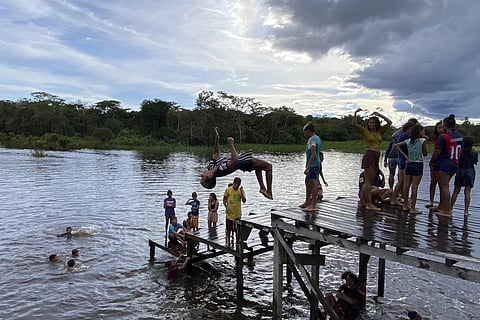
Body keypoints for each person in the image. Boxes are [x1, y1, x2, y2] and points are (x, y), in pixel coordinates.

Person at [200, 127, 273, 200]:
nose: (201, 174)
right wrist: (231, 144)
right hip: (245, 162)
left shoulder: (210, 167)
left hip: (242, 161)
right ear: (209, 176)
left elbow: (215, 154)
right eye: (203, 177)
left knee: (259, 167)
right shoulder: (221, 169)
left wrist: (217, 140)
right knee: (269, 167)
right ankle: (269, 191)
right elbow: (234, 160)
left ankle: (262, 188)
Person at [353, 108, 392, 211]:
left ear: (376, 123)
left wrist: (379, 114)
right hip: (369, 155)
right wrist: (355, 113)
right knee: (368, 181)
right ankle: (369, 204)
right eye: (370, 122)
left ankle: (362, 202)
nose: (371, 124)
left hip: (376, 156)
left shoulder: (380, 131)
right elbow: (355, 125)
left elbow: (389, 122)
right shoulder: (365, 131)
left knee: (370, 180)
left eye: (373, 122)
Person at [429, 114, 463, 216]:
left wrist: (432, 161)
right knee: (443, 186)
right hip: (455, 163)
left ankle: (446, 210)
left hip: (444, 164)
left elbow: (437, 152)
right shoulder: (459, 136)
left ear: (446, 125)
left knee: (444, 187)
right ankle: (441, 206)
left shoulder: (443, 137)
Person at [395, 124, 427, 214]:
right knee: (415, 186)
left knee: (406, 185)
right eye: (423, 131)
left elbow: (396, 145)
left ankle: (405, 205)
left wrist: (405, 156)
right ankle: (412, 207)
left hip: (409, 163)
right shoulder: (422, 141)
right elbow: (424, 154)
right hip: (418, 164)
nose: (424, 132)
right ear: (420, 132)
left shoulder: (408, 141)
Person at [390, 120, 417, 206]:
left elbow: (394, 138)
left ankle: (395, 198)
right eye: (413, 128)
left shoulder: (401, 135)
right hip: (405, 161)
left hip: (402, 160)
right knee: (405, 182)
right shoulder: (406, 136)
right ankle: (404, 201)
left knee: (401, 181)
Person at [299, 122, 323, 212]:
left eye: (305, 132)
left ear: (309, 131)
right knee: (307, 183)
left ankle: (313, 205)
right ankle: (307, 202)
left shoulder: (313, 140)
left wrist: (308, 167)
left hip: (313, 165)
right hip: (313, 164)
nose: (304, 134)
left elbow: (313, 155)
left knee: (313, 184)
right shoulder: (317, 138)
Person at [451, 136, 477, 216]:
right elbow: (475, 162)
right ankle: (466, 211)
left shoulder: (459, 152)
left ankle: (450, 208)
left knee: (456, 190)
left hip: (460, 171)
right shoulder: (474, 152)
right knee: (467, 192)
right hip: (470, 171)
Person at [426, 121, 445, 209]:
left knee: (443, 184)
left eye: (441, 127)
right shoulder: (435, 138)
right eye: (438, 128)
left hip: (443, 162)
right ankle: (431, 201)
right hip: (435, 162)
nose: (440, 130)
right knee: (433, 182)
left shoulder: (446, 137)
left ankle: (442, 203)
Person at [223, 177, 246, 248]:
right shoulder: (228, 190)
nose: (236, 186)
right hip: (229, 213)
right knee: (228, 229)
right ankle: (228, 243)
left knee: (237, 230)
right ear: (233, 183)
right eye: (235, 184)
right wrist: (226, 207)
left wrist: (242, 193)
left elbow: (244, 201)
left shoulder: (241, 191)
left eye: (238, 185)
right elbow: (224, 199)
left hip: (237, 213)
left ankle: (237, 243)